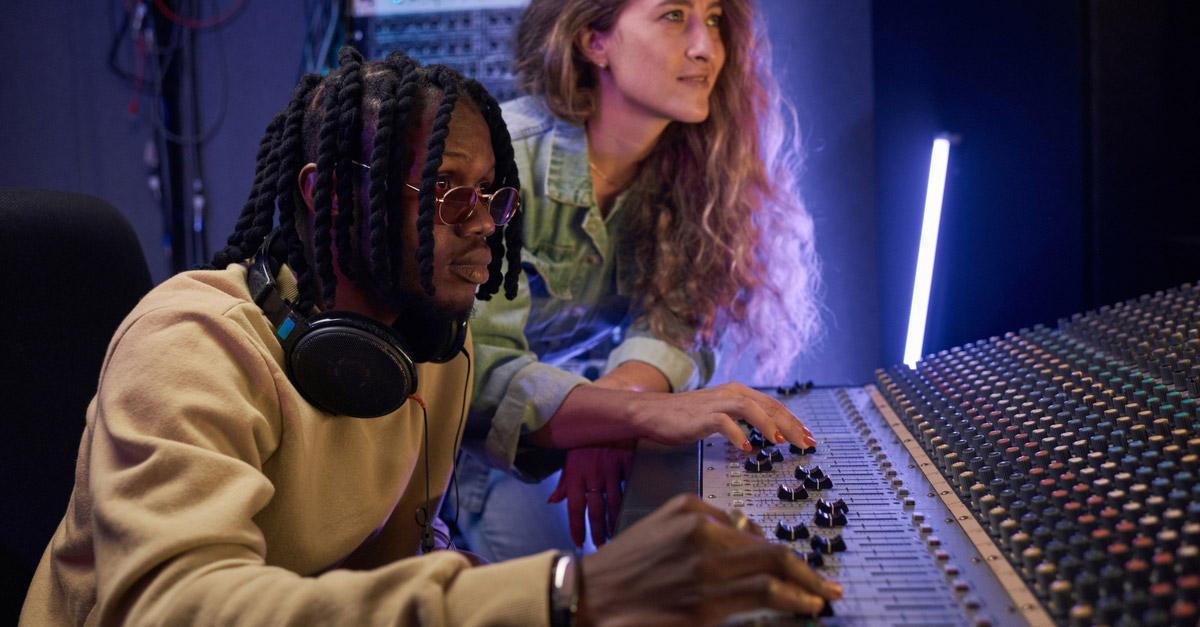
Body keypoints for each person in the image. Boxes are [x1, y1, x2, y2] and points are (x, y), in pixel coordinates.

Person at [19, 48, 841, 626]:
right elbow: (171, 609)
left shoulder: (431, 349)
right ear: (330, 195)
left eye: (493, 197)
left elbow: (404, 563)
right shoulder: (192, 343)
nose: (484, 227)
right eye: (448, 193)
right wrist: (563, 592)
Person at [449, 0, 822, 560]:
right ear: (593, 42)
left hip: (591, 417)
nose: (706, 47)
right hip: (470, 458)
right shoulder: (505, 162)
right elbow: (475, 371)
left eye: (715, 19)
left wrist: (615, 406)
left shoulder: (697, 170)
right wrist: (619, 415)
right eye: (674, 15)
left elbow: (678, 325)